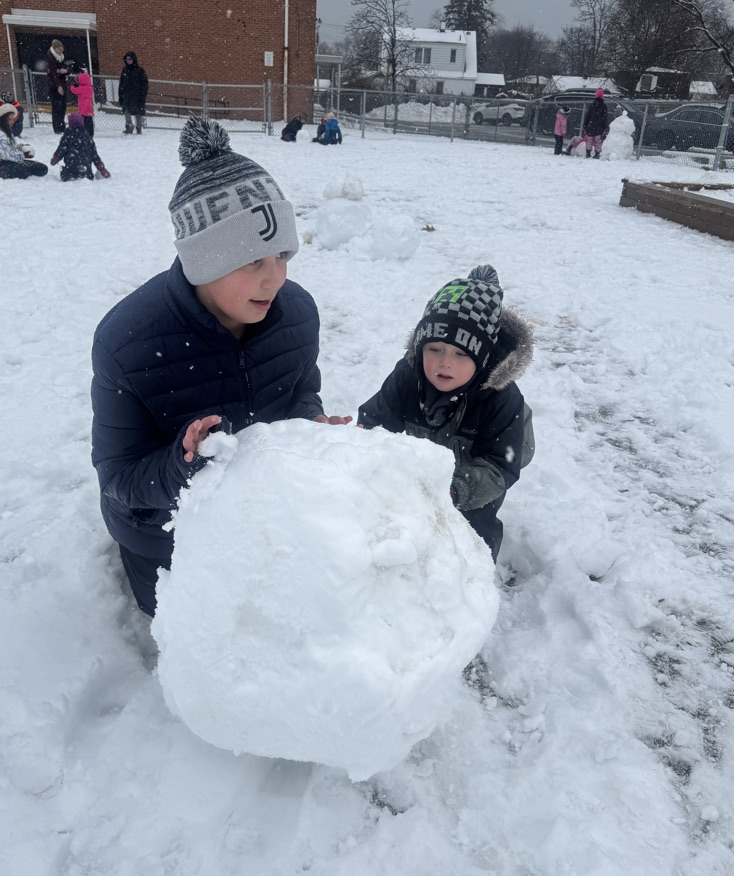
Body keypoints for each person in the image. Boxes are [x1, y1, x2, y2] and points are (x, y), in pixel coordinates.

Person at [91, 116, 351, 615]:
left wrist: (311, 425)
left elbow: (300, 390)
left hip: (259, 511)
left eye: (282, 254)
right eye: (253, 261)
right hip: (164, 531)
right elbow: (119, 477)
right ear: (204, 261)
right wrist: (182, 463)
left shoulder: (297, 313)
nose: (274, 279)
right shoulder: (128, 341)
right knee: (186, 623)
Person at [358, 266, 535, 563]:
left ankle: (477, 576)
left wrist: (456, 490)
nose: (445, 363)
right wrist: (361, 445)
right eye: (435, 349)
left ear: (482, 358)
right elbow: (375, 419)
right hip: (438, 440)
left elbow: (500, 466)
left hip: (492, 453)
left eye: (461, 354)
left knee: (474, 524)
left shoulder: (501, 399)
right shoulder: (408, 377)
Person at [0, 99, 48, 179]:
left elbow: (12, 148)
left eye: (12, 119)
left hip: (14, 160)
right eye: (10, 119)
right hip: (3, 163)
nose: (12, 122)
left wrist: (22, 148)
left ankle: (8, 172)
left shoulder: (7, 131)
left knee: (42, 168)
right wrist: (23, 154)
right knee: (23, 171)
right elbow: (6, 155)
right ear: (2, 120)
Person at [50, 113, 110, 180]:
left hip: (71, 167)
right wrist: (102, 169)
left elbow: (61, 150)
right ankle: (84, 173)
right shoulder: (88, 137)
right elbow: (94, 155)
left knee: (67, 171)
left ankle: (68, 173)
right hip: (86, 169)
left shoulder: (67, 136)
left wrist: (54, 160)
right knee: (86, 169)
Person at [118, 51, 148, 134]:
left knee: (138, 112)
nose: (128, 61)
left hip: (137, 95)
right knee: (126, 110)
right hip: (127, 95)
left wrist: (142, 94)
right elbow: (121, 84)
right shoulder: (125, 70)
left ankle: (139, 127)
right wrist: (121, 95)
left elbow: (144, 84)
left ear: (133, 59)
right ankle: (129, 126)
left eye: (129, 59)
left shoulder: (140, 71)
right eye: (126, 59)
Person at [46, 38, 73, 133]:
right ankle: (57, 127)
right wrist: (58, 86)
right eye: (59, 48)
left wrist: (65, 71)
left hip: (62, 84)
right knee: (57, 107)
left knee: (62, 107)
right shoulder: (51, 58)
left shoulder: (62, 57)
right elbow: (53, 74)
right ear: (55, 49)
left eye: (61, 48)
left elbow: (67, 69)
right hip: (55, 87)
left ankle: (61, 126)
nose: (61, 50)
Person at [583, 88, 609, 159]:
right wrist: (605, 127)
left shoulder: (592, 105)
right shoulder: (604, 106)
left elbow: (587, 116)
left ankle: (588, 153)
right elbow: (604, 118)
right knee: (598, 141)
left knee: (589, 140)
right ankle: (597, 153)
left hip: (590, 125)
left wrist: (585, 126)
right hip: (599, 126)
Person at [70, 72, 96, 136]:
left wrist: (72, 85)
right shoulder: (90, 88)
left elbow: (74, 90)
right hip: (89, 107)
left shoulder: (81, 88)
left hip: (83, 107)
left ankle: (85, 132)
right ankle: (91, 132)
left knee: (84, 121)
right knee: (89, 120)